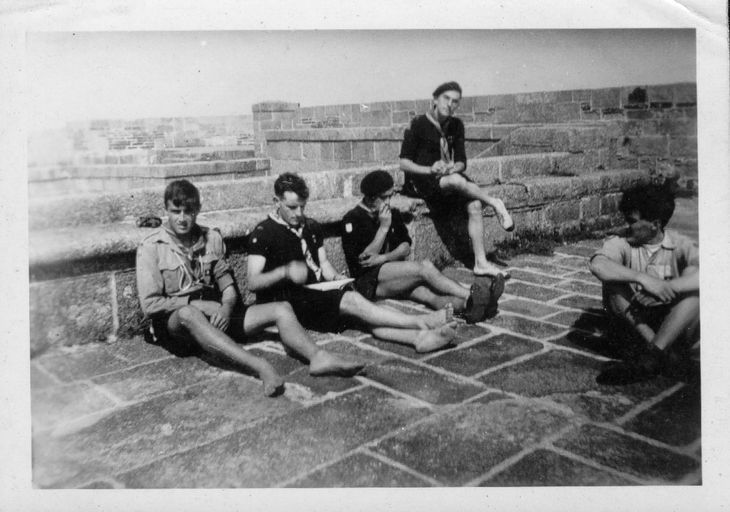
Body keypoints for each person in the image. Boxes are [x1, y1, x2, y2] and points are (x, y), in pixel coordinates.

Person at [136, 179, 365, 397]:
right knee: (189, 314)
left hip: (214, 312)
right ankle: (260, 367)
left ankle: (318, 357)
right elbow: (150, 304)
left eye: (188, 211)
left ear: (197, 210)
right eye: (175, 211)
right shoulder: (151, 247)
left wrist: (226, 307)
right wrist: (197, 304)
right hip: (175, 323)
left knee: (281, 309)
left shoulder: (210, 237)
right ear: (166, 210)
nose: (182, 218)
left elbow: (226, 281)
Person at [246, 172, 457, 353]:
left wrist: (337, 278)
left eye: (302, 207)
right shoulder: (263, 233)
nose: (298, 213)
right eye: (292, 207)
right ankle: (421, 322)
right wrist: (284, 272)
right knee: (355, 303)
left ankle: (418, 339)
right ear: (276, 202)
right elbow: (253, 282)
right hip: (291, 301)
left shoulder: (310, 226)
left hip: (316, 293)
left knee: (365, 314)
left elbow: (323, 265)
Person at [341, 169, 502, 323]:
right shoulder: (353, 219)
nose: (388, 202)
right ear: (370, 198)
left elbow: (405, 247)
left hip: (391, 272)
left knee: (427, 294)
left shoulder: (391, 212)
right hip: (369, 283)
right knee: (425, 268)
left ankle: (469, 307)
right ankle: (471, 294)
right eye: (384, 198)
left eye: (390, 196)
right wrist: (383, 228)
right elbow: (366, 260)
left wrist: (383, 257)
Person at [399, 80, 514, 278]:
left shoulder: (456, 125)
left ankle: (481, 263)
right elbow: (404, 163)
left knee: (474, 205)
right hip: (422, 181)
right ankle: (495, 203)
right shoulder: (418, 124)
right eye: (446, 98)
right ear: (435, 99)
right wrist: (430, 169)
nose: (450, 104)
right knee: (456, 181)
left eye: (455, 101)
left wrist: (453, 167)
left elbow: (461, 161)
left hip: (447, 177)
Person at [588, 182, 700, 385]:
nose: (626, 225)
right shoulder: (621, 242)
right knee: (613, 284)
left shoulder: (680, 244)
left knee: (695, 288)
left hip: (672, 323)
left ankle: (651, 358)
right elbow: (598, 265)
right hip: (636, 326)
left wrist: (669, 287)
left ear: (655, 224)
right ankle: (661, 353)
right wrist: (644, 279)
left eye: (632, 221)